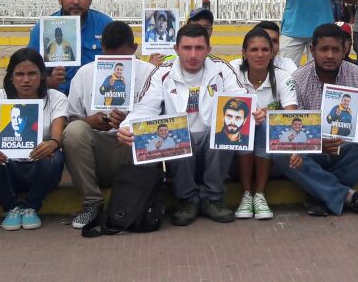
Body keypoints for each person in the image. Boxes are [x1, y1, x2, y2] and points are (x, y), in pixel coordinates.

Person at [128, 24, 244, 226]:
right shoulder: (161, 73)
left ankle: (212, 198)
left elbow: (242, 99)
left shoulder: (222, 69)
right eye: (187, 48)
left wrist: (256, 111)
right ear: (176, 49)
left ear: (208, 50)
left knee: (227, 126)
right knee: (177, 130)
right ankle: (187, 200)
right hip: (180, 150)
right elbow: (146, 107)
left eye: (199, 48)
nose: (193, 55)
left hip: (213, 146)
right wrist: (127, 127)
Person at [271, 24, 358, 217]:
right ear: (312, 50)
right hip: (313, 151)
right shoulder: (298, 79)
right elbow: (293, 127)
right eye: (324, 49)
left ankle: (319, 192)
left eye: (335, 49)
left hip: (346, 147)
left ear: (344, 50)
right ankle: (346, 196)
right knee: (282, 154)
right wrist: (317, 143)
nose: (330, 55)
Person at [63, 21, 157, 229]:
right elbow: (70, 120)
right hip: (99, 151)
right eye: (109, 57)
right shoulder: (85, 74)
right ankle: (92, 203)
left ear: (134, 49)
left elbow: (162, 119)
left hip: (132, 149)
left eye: (123, 58)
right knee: (74, 131)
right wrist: (91, 122)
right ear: (102, 49)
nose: (116, 64)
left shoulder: (151, 73)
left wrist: (130, 122)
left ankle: (137, 201)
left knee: (151, 131)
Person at [0, 49, 67, 231]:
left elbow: (57, 136)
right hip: (8, 166)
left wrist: (52, 144)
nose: (25, 80)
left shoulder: (56, 98)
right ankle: (11, 207)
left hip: (41, 168)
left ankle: (31, 207)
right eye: (19, 74)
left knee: (55, 157)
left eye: (32, 74)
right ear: (11, 76)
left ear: (42, 75)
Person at [229, 28, 297, 220]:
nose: (260, 54)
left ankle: (259, 194)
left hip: (271, 155)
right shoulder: (231, 72)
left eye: (265, 49)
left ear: (272, 52)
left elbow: (290, 116)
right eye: (254, 50)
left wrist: (267, 115)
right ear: (243, 52)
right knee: (246, 125)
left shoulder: (283, 77)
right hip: (233, 155)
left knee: (266, 126)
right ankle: (246, 194)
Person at [27, 0, 114, 95]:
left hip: (96, 96)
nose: (76, 2)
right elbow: (28, 72)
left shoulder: (106, 25)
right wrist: (49, 81)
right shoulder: (42, 29)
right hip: (58, 98)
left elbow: (121, 63)